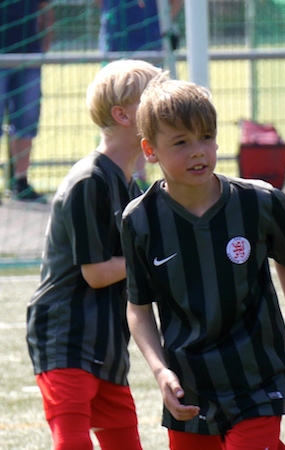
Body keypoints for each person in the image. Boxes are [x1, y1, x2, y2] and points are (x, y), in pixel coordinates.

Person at [123, 78, 285, 449]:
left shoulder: (260, 202)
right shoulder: (140, 220)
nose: (198, 151)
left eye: (206, 137)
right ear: (150, 150)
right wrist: (160, 371)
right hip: (190, 386)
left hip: (257, 378)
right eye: (181, 142)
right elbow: (138, 307)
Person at [26, 59, 164, 449]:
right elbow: (97, 272)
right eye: (153, 100)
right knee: (72, 443)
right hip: (65, 338)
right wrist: (155, 262)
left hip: (108, 344)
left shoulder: (132, 188)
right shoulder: (90, 180)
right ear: (123, 115)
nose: (164, 108)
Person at [96, 0, 184, 189]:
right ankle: (120, 174)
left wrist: (164, 20)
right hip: (116, 44)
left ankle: (139, 176)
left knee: (147, 112)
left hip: (150, 43)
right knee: (116, 111)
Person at [0, 0, 53, 201]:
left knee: (27, 119)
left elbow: (46, 10)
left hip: (28, 55)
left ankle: (21, 182)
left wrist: (44, 47)